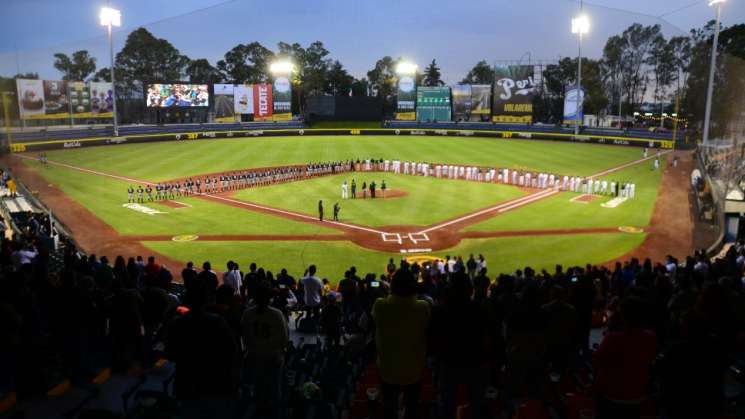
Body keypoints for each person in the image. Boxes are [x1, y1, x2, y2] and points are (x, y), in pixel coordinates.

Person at [372, 268, 430, 419]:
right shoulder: (423, 307)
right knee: (412, 407)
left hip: (388, 369)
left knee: (389, 407)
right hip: (414, 369)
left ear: (392, 285)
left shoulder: (380, 305)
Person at [593, 297, 657, 419]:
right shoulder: (651, 337)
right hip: (638, 394)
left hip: (611, 395)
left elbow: (597, 361)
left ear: (622, 316)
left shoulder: (613, 339)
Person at [241, 282, 289, 418]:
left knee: (258, 385)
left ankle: (258, 411)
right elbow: (284, 339)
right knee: (275, 387)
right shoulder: (276, 314)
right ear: (269, 298)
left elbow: (244, 336)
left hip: (254, 355)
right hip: (273, 357)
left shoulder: (247, 313)